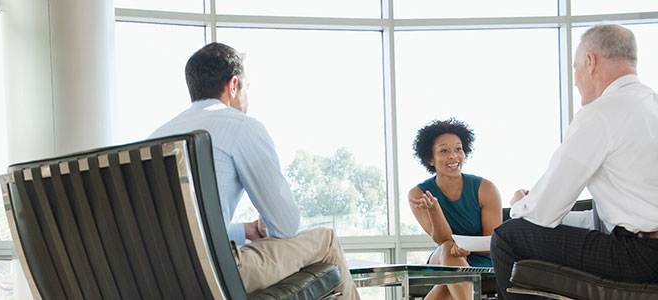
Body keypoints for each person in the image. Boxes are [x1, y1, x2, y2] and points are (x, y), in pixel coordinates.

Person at [149, 42, 360, 299]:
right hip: (216, 276)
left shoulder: (157, 137)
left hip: (157, 279)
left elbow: (184, 230)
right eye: (247, 87)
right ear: (234, 85)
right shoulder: (241, 127)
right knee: (326, 241)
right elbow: (285, 226)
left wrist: (246, 230)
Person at [491, 24, 658, 300]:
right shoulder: (651, 104)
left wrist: (521, 203)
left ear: (590, 62)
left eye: (575, 67)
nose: (576, 79)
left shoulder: (600, 113)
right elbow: (617, 215)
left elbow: (543, 213)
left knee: (507, 237)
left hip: (638, 257)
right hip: (642, 248)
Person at [407, 119, 502, 300]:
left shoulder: (486, 189)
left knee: (446, 288)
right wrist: (435, 209)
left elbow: (493, 244)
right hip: (442, 257)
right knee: (449, 249)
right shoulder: (418, 193)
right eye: (444, 151)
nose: (453, 156)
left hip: (482, 260)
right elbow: (442, 240)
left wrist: (467, 248)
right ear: (430, 158)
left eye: (458, 149)